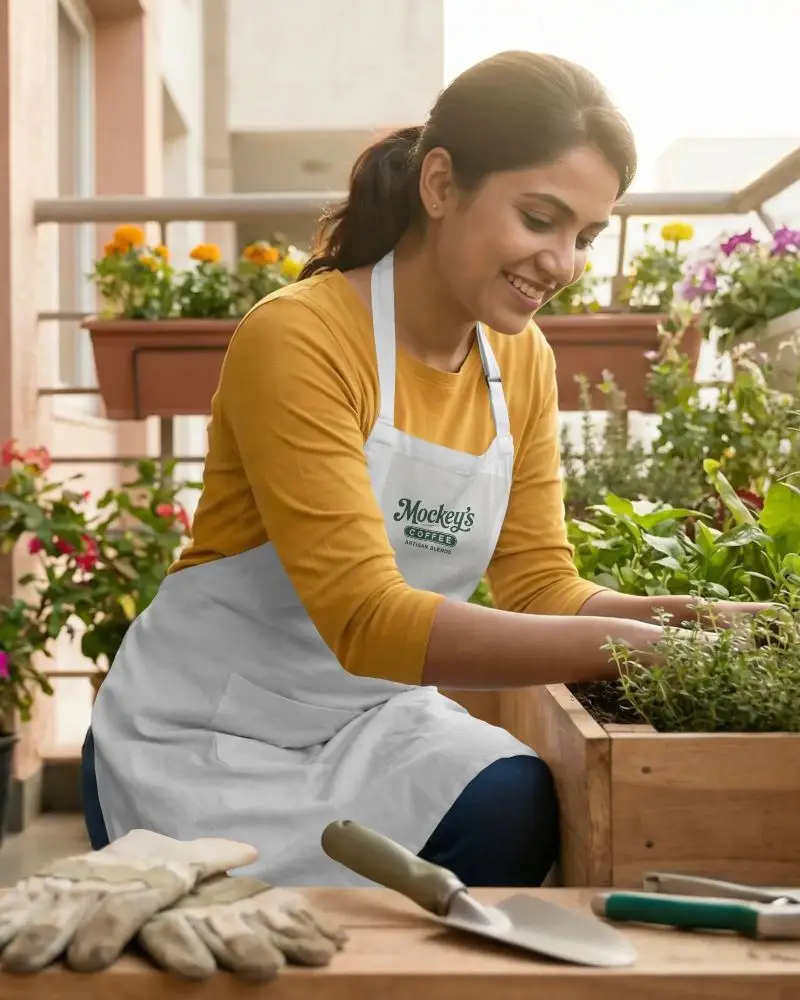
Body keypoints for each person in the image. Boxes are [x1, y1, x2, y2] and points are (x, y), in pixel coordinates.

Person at [82, 51, 768, 888]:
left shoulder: (522, 363)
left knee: (512, 803)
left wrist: (697, 621)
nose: (564, 263)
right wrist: (633, 647)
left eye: (585, 236)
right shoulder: (300, 339)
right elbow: (365, 618)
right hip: (201, 741)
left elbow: (541, 583)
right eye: (540, 218)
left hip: (368, 723)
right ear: (440, 185)